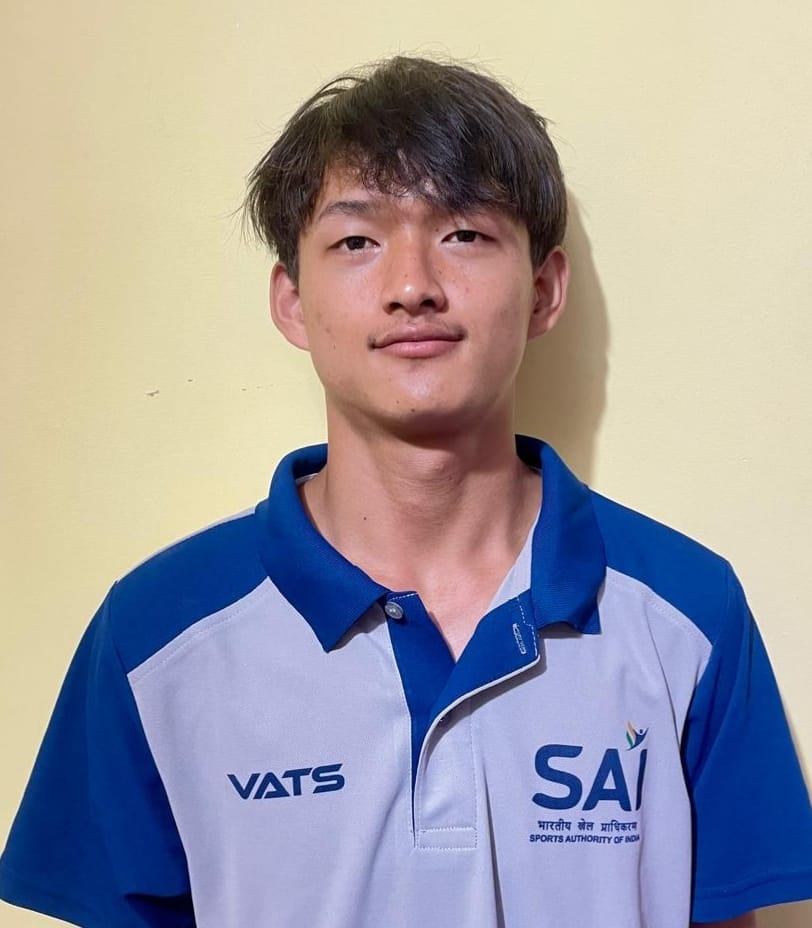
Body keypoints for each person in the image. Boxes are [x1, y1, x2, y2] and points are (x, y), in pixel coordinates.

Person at [1, 55, 811, 928]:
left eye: (463, 233)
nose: (414, 286)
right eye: (357, 241)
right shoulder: (157, 635)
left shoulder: (688, 615)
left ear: (544, 291)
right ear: (292, 301)